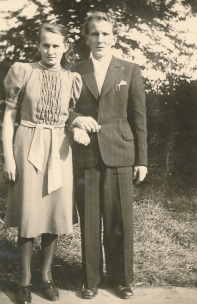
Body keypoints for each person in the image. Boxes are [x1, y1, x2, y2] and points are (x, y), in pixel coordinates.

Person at [2, 23, 90, 304]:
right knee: (29, 214)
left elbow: (70, 114)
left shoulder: (71, 78)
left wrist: (76, 125)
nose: (51, 51)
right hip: (27, 145)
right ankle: (24, 281)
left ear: (65, 47)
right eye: (45, 45)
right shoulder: (23, 71)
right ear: (38, 46)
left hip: (60, 149)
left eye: (56, 45)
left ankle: (47, 277)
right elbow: (8, 118)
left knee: (53, 213)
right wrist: (8, 157)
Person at [70, 11, 148, 300]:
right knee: (90, 220)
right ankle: (90, 280)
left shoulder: (129, 69)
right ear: (86, 38)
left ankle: (122, 280)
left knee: (119, 221)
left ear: (114, 38)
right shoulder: (75, 70)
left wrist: (142, 160)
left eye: (105, 33)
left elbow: (139, 118)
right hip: (86, 155)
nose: (100, 38)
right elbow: (62, 108)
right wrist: (75, 119)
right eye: (94, 33)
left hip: (121, 152)